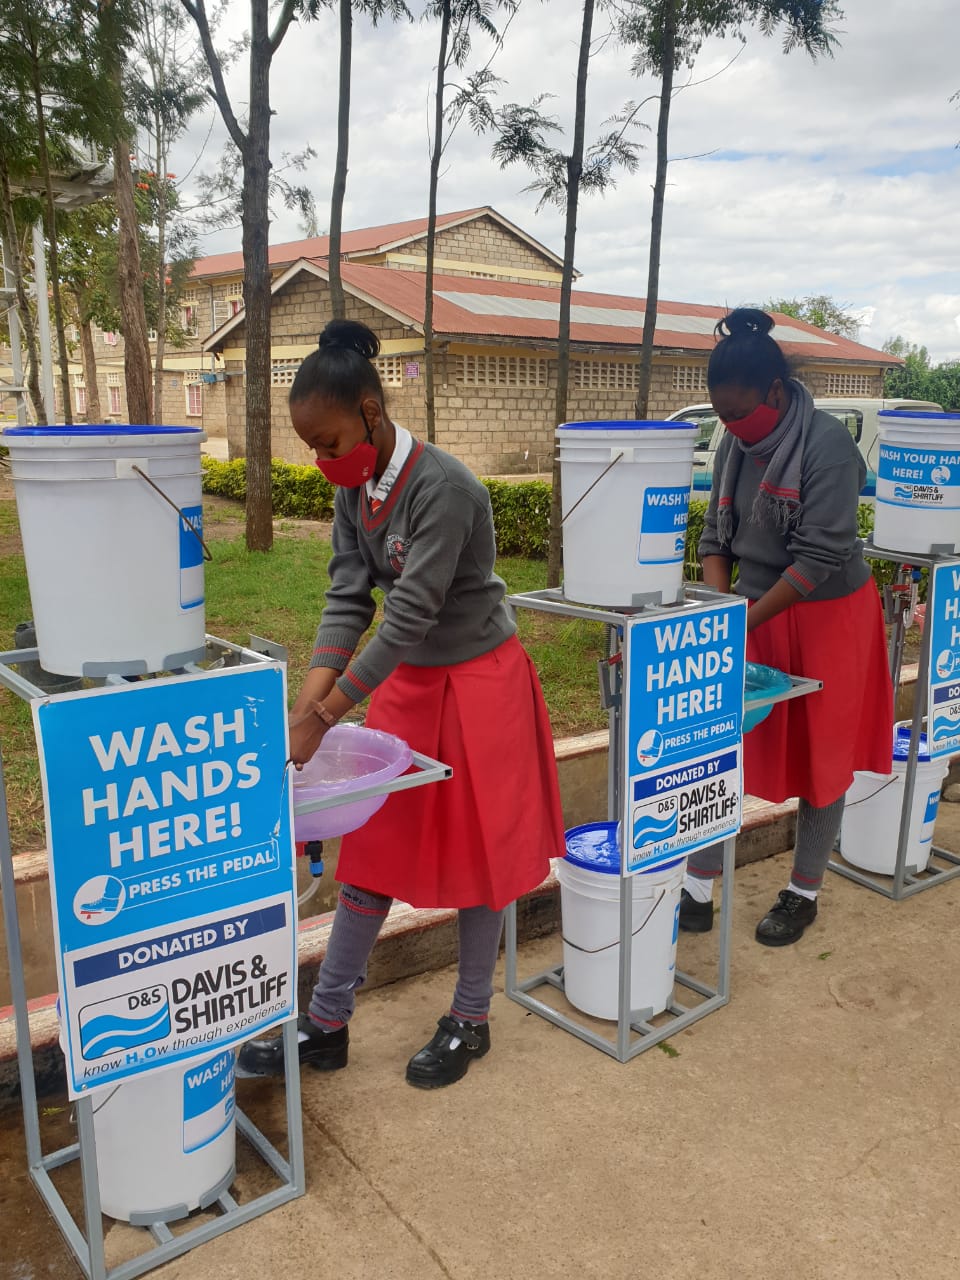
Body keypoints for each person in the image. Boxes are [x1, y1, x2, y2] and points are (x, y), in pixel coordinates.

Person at [238, 319, 565, 1087]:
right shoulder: (354, 488)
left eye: (328, 442)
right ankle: (326, 1022)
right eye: (311, 448)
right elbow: (349, 598)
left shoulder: (443, 488)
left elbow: (411, 613)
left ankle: (471, 1018)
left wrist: (323, 720)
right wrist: (307, 705)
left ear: (371, 414)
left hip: (480, 683)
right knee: (373, 849)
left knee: (481, 857)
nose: (322, 461)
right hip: (408, 684)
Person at [678, 308, 893, 946]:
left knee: (824, 756)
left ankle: (803, 891)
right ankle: (697, 887)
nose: (731, 427)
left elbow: (818, 558)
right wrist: (720, 614)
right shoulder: (734, 445)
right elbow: (716, 535)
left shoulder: (827, 446)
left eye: (739, 413)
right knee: (720, 745)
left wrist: (740, 618)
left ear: (775, 392)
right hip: (752, 611)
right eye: (722, 416)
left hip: (827, 617)